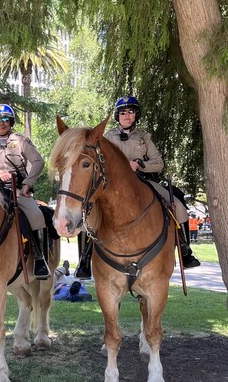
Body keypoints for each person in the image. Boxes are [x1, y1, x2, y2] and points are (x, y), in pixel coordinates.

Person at [75, 95, 200, 278]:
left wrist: (141, 165)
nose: (127, 116)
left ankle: (184, 250)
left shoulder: (144, 137)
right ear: (118, 116)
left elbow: (159, 163)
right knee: (89, 212)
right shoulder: (106, 137)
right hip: (112, 186)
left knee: (179, 207)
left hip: (143, 181)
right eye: (123, 112)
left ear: (136, 115)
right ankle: (85, 258)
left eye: (131, 112)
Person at [0, 103, 50, 278]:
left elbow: (39, 162)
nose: (1, 123)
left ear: (10, 121)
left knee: (36, 215)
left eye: (5, 120)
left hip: (17, 191)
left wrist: (27, 183)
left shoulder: (20, 141)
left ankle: (40, 259)